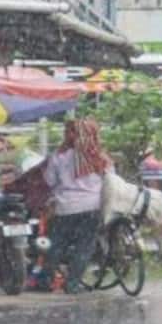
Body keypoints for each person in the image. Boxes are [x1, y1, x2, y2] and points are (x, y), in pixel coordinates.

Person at [45, 120, 109, 294]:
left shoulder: (58, 156)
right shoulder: (100, 157)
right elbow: (110, 180)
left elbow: (49, 180)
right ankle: (72, 283)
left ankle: (47, 281)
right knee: (84, 246)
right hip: (91, 207)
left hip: (65, 207)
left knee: (56, 245)